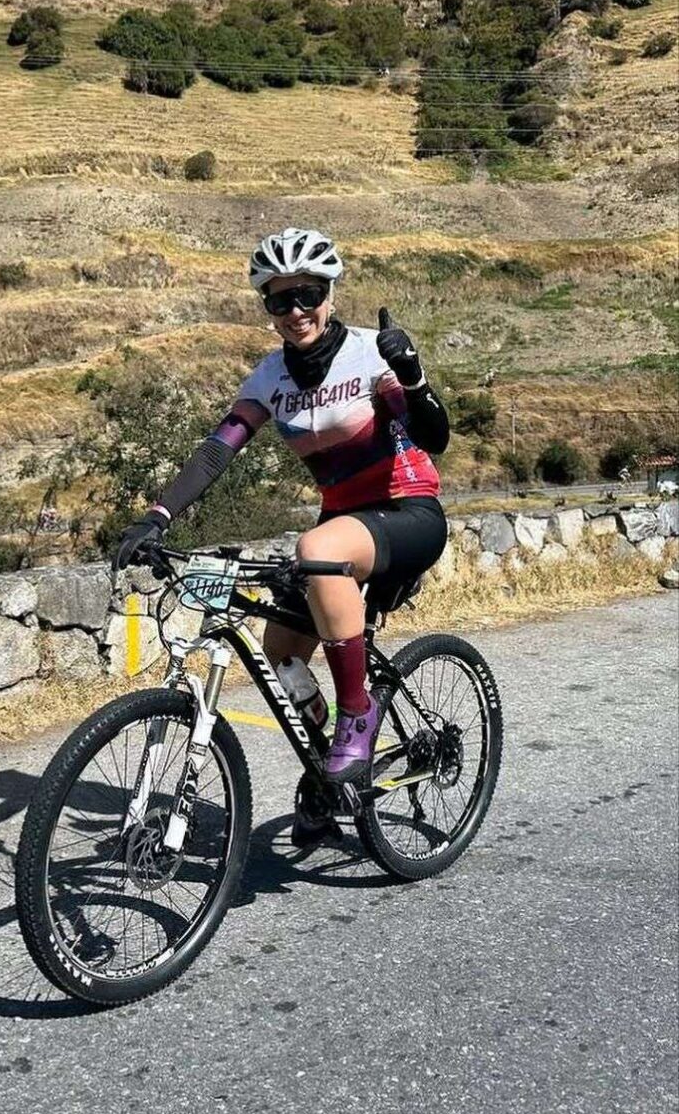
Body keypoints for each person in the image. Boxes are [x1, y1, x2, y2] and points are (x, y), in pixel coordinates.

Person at [113, 226, 450, 793]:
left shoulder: (371, 353)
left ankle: (357, 715)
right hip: (343, 525)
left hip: (408, 511)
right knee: (282, 653)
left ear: (330, 293)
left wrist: (412, 376)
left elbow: (434, 436)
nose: (296, 310)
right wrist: (158, 516)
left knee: (314, 549)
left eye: (308, 294)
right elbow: (219, 448)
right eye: (279, 299)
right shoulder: (270, 377)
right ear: (266, 306)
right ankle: (326, 776)